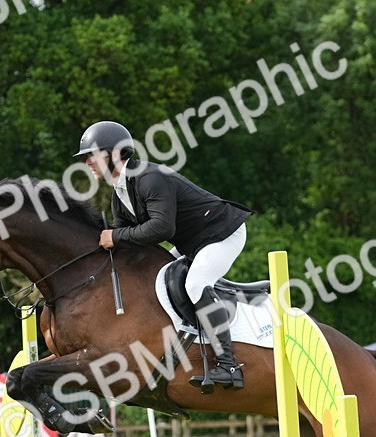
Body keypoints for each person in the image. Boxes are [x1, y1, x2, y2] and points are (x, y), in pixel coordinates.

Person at [76, 120, 253, 391]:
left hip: (221, 232)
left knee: (195, 284)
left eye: (91, 154)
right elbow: (125, 241)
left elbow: (161, 228)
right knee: (160, 277)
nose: (87, 161)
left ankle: (229, 366)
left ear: (113, 153)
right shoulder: (120, 193)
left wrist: (115, 237)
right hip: (192, 241)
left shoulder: (149, 178)